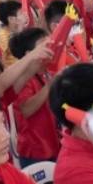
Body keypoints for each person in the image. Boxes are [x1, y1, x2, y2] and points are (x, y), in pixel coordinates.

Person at [8, 28, 59, 167]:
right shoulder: (23, 78)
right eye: (45, 45)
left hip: (52, 143)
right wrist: (50, 86)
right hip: (36, 150)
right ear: (29, 54)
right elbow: (26, 110)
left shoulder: (47, 71)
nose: (51, 48)